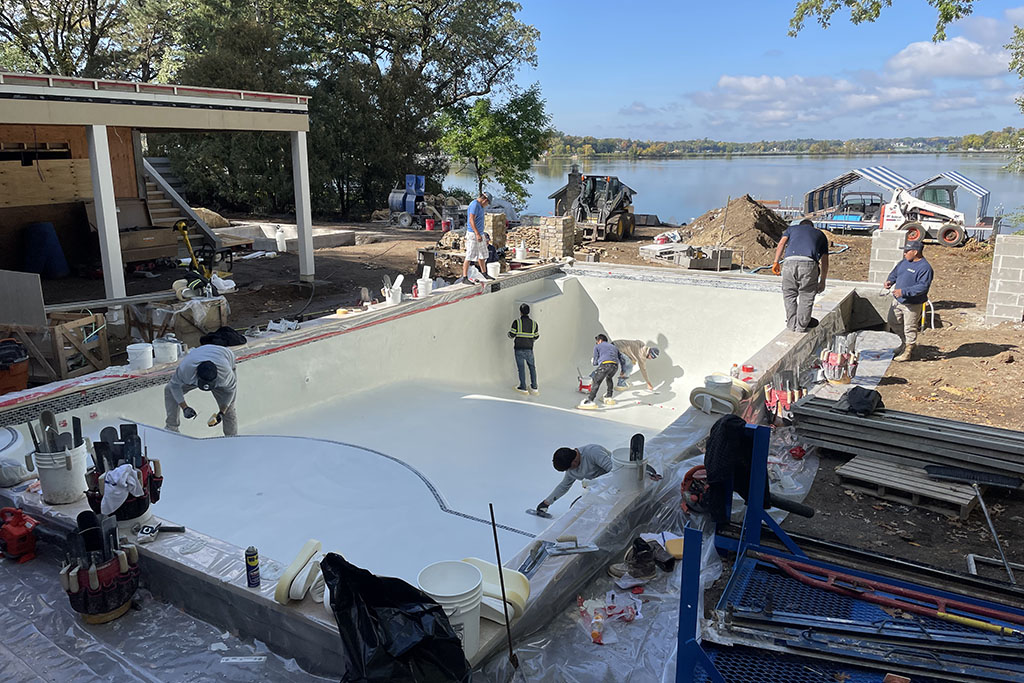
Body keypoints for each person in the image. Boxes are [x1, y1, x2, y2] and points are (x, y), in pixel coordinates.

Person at [164, 343, 238, 436]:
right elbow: (174, 386)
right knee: (169, 390)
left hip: (224, 355)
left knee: (229, 409)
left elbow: (230, 392)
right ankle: (171, 428)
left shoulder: (225, 376)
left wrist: (222, 412)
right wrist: (185, 407)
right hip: (198, 356)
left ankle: (232, 437)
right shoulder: (186, 370)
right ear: (196, 375)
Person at [773, 218, 829, 333]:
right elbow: (825, 260)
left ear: (800, 225)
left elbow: (782, 243)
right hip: (809, 263)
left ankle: (791, 324)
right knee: (806, 295)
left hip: (789, 262)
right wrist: (822, 281)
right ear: (812, 227)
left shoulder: (791, 229)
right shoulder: (820, 234)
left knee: (789, 295)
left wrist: (776, 262)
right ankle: (801, 327)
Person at [884, 240, 933, 362]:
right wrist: (890, 281)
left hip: (912, 304)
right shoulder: (904, 262)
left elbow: (922, 287)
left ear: (915, 252)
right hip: (898, 301)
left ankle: (908, 352)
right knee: (892, 321)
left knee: (909, 328)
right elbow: (895, 273)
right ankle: (904, 343)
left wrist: (903, 292)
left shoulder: (925, 268)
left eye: (907, 251)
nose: (904, 253)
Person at [536, 445, 613, 514]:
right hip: (599, 489)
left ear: (575, 461)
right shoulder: (570, 467)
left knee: (601, 511)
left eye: (569, 468)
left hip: (616, 486)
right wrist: (547, 502)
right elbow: (564, 486)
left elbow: (615, 471)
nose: (569, 471)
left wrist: (594, 483)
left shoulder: (592, 452)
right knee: (576, 509)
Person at [457, 192, 494, 284]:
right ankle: (465, 277)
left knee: (482, 254)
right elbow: (471, 220)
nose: (487, 205)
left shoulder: (480, 206)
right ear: (485, 200)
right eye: (487, 203)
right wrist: (477, 233)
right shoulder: (474, 205)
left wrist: (481, 234)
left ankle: (484, 273)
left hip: (480, 233)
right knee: (469, 255)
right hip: (473, 234)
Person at [580, 334, 620, 410]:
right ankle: (609, 396)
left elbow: (595, 360)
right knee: (609, 378)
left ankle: (590, 400)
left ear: (600, 340)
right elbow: (619, 357)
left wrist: (594, 362)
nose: (596, 343)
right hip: (615, 366)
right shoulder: (614, 347)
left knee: (596, 381)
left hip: (605, 365)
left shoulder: (598, 346)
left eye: (597, 341)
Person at [509, 303, 540, 395]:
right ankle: (534, 387)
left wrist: (508, 334)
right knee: (532, 367)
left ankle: (523, 387)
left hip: (518, 349)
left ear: (520, 312)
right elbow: (536, 336)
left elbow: (512, 335)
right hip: (529, 349)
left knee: (521, 368)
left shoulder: (517, 322)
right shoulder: (534, 324)